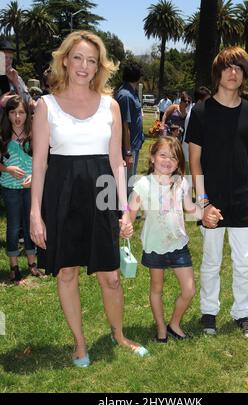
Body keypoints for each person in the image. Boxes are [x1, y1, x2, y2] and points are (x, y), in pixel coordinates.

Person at [30, 30, 149, 368]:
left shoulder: (110, 105)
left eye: (92, 61)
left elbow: (116, 162)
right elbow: (40, 163)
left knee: (110, 275)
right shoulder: (45, 105)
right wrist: (35, 214)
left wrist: (124, 209)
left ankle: (119, 335)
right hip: (62, 194)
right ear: (65, 60)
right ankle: (80, 344)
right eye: (78, 58)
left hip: (101, 194)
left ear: (100, 67)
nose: (84, 66)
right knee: (66, 272)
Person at [188, 46, 248, 341]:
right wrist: (203, 202)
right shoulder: (201, 111)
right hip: (212, 200)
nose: (233, 72)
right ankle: (209, 312)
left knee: (244, 262)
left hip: (244, 197)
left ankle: (242, 314)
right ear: (218, 72)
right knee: (211, 260)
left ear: (244, 75)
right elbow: (194, 160)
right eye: (228, 67)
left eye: (239, 68)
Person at [128, 136, 222, 342]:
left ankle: (174, 323)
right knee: (156, 289)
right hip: (154, 246)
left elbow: (190, 208)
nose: (167, 160)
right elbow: (130, 210)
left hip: (178, 244)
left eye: (173, 157)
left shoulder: (181, 184)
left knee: (189, 290)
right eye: (163, 155)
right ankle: (161, 329)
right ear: (152, 157)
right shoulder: (143, 184)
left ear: (179, 163)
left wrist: (206, 214)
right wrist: (126, 223)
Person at [0, 96, 43, 284]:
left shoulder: (34, 134)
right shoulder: (3, 135)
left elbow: (42, 162)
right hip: (10, 188)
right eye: (12, 112)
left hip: (30, 188)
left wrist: (34, 177)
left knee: (30, 224)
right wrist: (7, 168)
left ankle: (32, 264)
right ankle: (14, 266)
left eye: (21, 112)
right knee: (13, 226)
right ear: (7, 114)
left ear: (28, 114)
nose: (17, 117)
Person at [116, 61, 144, 194]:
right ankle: (124, 212)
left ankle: (127, 210)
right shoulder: (126, 96)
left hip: (134, 144)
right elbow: (124, 125)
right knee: (127, 183)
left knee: (130, 182)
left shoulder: (131, 93)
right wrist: (128, 153)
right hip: (129, 147)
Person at [0, 40, 32, 111]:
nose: (8, 61)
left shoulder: (16, 77)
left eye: (11, 58)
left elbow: (28, 102)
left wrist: (16, 83)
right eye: (5, 57)